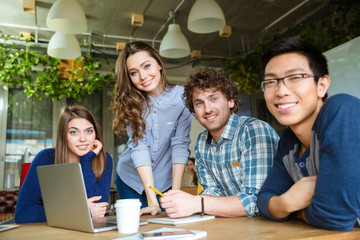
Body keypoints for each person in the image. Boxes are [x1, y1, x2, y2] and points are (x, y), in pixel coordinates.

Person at [257, 37, 360, 231]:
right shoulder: (289, 141)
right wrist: (286, 203)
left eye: (294, 78)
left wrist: (297, 213)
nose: (281, 91)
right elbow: (265, 198)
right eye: (271, 82)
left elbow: (335, 216)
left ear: (321, 85)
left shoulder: (342, 111)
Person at [160, 67, 279, 218]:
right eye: (199, 103)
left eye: (213, 99)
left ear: (230, 101)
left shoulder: (254, 131)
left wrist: (197, 203)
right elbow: (211, 192)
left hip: (271, 226)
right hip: (234, 225)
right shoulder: (202, 143)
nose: (207, 109)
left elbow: (255, 202)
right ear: (194, 112)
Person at [111, 41, 192, 216]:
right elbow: (139, 148)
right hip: (130, 178)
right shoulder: (132, 102)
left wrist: (175, 194)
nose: (143, 76)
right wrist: (152, 201)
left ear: (159, 64)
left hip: (165, 180)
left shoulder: (183, 97)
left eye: (147, 66)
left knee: (166, 227)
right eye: (134, 73)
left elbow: (180, 145)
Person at [15, 105, 113, 223]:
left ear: (95, 134)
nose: (83, 139)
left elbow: (98, 210)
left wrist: (86, 160)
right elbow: (23, 213)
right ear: (63, 135)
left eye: (89, 131)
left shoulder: (103, 159)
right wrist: (78, 209)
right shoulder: (46, 158)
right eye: (74, 132)